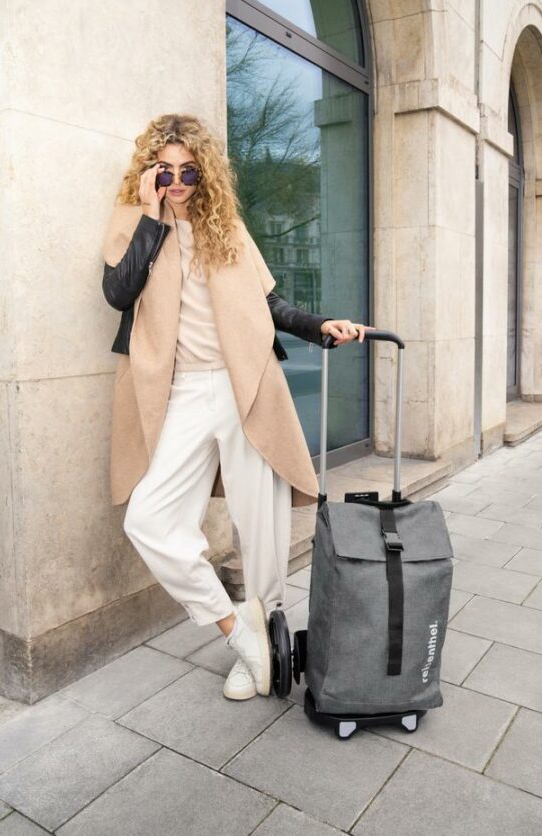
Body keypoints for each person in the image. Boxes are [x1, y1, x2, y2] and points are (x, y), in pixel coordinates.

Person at [102, 113, 371, 702]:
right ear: (150, 171)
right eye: (165, 170)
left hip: (245, 383)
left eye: (189, 171)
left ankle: (266, 648)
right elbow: (118, 292)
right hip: (180, 394)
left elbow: (266, 302)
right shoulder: (133, 224)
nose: (178, 181)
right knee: (147, 519)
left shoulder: (226, 226)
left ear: (206, 174)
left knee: (263, 526)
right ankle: (237, 632)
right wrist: (152, 217)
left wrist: (318, 324)